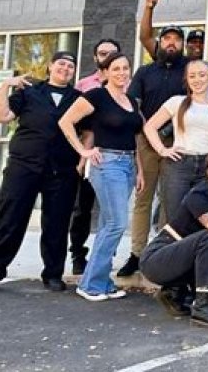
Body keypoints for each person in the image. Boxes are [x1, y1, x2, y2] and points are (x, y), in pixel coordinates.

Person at [59, 52, 145, 301]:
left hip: (128, 164)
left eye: (125, 68)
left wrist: (139, 169)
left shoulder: (131, 101)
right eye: (116, 68)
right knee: (117, 223)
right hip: (106, 164)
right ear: (105, 72)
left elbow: (135, 138)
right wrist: (83, 151)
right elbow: (66, 122)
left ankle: (100, 281)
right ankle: (91, 284)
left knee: (109, 225)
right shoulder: (96, 96)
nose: (122, 73)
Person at [0, 52, 83, 291]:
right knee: (9, 217)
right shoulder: (29, 92)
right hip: (23, 165)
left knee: (57, 223)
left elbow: (88, 131)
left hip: (62, 169)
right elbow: (2, 116)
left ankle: (53, 274)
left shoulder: (78, 99)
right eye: (61, 64)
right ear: (50, 66)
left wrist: (82, 158)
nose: (65, 69)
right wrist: (5, 85)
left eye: (70, 66)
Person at [140, 147, 208, 327]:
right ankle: (202, 307)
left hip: (184, 259)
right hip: (157, 258)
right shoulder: (198, 195)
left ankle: (175, 293)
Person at [117, 24, 188, 277]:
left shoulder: (189, 70)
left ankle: (163, 252)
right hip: (146, 142)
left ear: (182, 44)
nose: (171, 43)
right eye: (167, 38)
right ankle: (137, 253)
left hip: (177, 143)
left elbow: (192, 102)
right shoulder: (145, 72)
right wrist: (149, 130)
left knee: (171, 201)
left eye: (176, 39)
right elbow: (133, 104)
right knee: (143, 199)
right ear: (160, 43)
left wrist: (167, 130)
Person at [143, 60, 208, 222]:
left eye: (202, 75)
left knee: (203, 219)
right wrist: (162, 150)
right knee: (175, 218)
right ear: (186, 80)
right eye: (192, 76)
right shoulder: (176, 102)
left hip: (207, 167)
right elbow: (150, 127)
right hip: (179, 165)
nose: (197, 80)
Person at [70, 38, 121, 276]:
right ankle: (78, 255)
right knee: (83, 208)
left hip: (116, 156)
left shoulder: (124, 84)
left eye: (112, 53)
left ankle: (104, 258)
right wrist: (82, 155)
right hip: (90, 153)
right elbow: (73, 122)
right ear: (95, 57)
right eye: (102, 53)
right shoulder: (83, 85)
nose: (107, 57)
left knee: (112, 213)